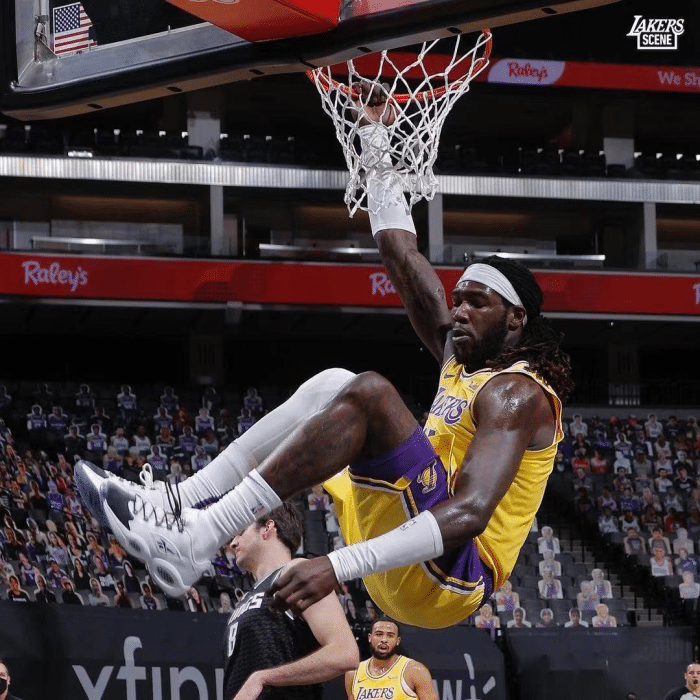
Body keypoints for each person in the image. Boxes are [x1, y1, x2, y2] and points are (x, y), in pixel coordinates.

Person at [80, 110, 573, 627]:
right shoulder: (462, 355)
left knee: (372, 392)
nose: (460, 311)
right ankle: (181, 502)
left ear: (516, 318)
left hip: (449, 576)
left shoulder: (517, 394)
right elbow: (401, 254)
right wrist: (375, 136)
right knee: (335, 384)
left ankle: (201, 536)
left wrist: (336, 566)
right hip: (400, 545)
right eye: (459, 300)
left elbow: (470, 513)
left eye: (477, 303)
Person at [222, 503, 358, 700]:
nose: (233, 543)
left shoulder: (297, 572)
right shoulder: (251, 594)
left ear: (267, 528)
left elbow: (345, 653)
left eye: (241, 532)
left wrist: (263, 678)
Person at [346, 618, 437, 700]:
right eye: (379, 634)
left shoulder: (415, 670)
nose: (384, 640)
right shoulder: (353, 673)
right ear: (370, 638)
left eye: (390, 635)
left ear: (397, 641)